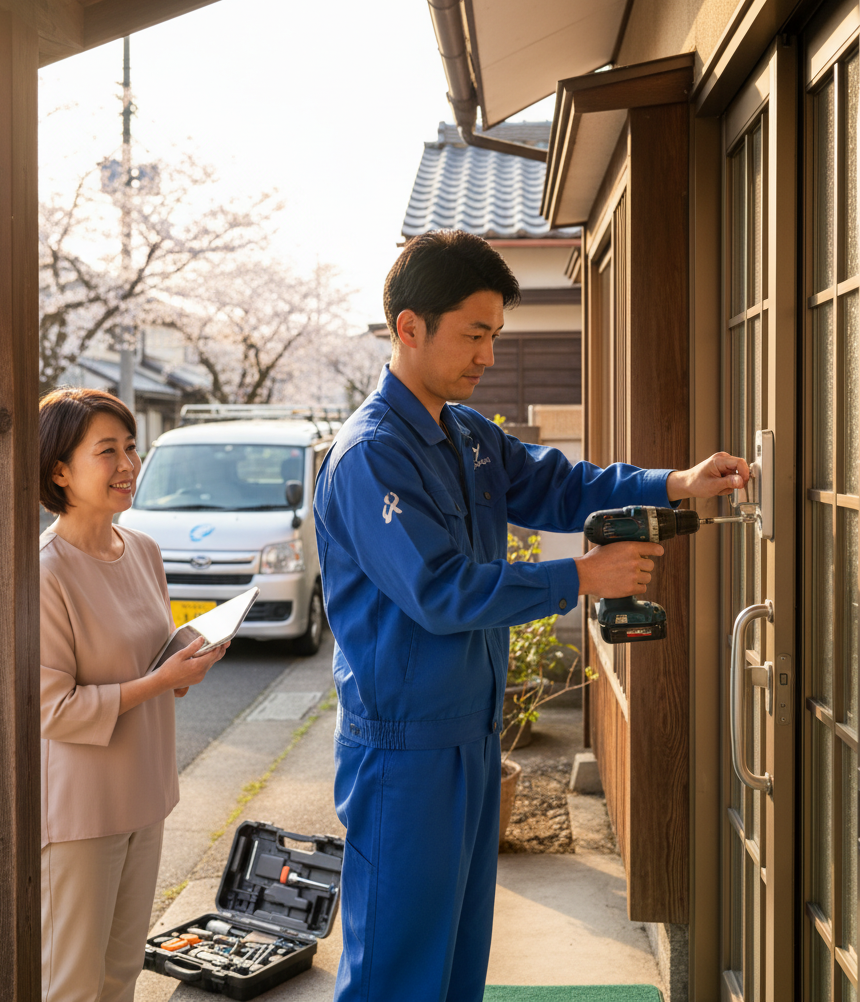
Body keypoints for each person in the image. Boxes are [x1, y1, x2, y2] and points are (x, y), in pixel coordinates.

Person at [313, 230, 749, 1002]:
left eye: (496, 336)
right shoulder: (370, 455)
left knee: (454, 963)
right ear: (408, 328)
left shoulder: (469, 433)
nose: (488, 355)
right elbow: (442, 590)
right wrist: (581, 575)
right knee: (393, 970)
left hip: (468, 735)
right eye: (473, 335)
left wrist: (676, 483)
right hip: (403, 750)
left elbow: (561, 487)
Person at [38, 387, 225, 1002]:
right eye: (107, 451)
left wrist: (181, 667)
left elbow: (148, 666)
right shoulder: (44, 571)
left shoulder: (142, 549)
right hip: (83, 812)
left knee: (121, 975)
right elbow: (52, 709)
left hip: (146, 792)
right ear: (59, 470)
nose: (127, 465)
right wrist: (158, 681)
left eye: (132, 449)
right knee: (73, 983)